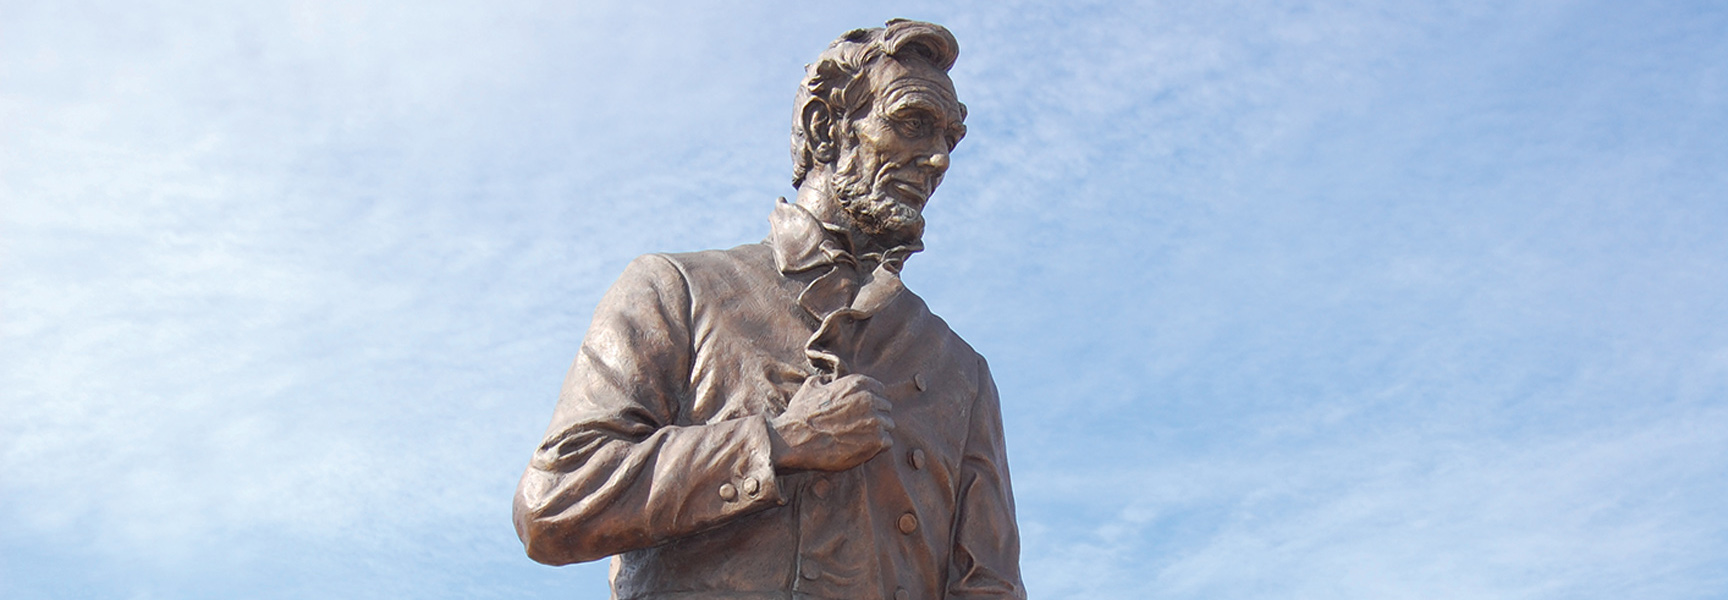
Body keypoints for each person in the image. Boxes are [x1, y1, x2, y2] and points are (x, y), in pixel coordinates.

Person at [514, 19, 1024, 600]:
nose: (938, 159)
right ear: (825, 127)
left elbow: (991, 588)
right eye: (912, 123)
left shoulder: (960, 373)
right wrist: (778, 444)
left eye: (948, 140)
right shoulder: (677, 290)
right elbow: (552, 503)